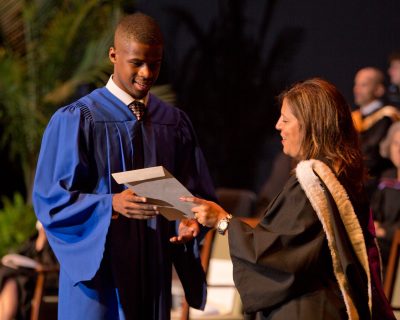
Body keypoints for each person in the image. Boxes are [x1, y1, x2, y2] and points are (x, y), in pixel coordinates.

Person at [32, 13, 216, 320]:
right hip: (98, 279)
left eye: (155, 63)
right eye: (137, 62)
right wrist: (111, 204)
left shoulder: (173, 122)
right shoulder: (78, 120)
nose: (146, 73)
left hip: (152, 275)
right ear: (113, 55)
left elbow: (195, 193)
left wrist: (189, 223)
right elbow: (51, 200)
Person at [182, 78, 395, 319]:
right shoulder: (343, 178)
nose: (277, 126)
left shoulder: (312, 182)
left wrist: (222, 221)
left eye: (285, 119)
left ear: (310, 125)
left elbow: (276, 256)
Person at [351, 67, 400, 195]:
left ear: (379, 90)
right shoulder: (353, 118)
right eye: (356, 84)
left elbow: (372, 154)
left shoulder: (386, 117)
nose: (357, 89)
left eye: (364, 85)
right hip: (356, 182)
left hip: (377, 185)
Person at [0, 221, 57, 320]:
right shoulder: (33, 241)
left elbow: (53, 264)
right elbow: (22, 256)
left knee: (12, 279)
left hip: (46, 280)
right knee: (7, 275)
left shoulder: (57, 244)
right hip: (28, 278)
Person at [371, 121, 400, 270]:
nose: (399, 149)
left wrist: (384, 231)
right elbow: (374, 209)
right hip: (379, 239)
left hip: (395, 245)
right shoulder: (386, 177)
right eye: (395, 143)